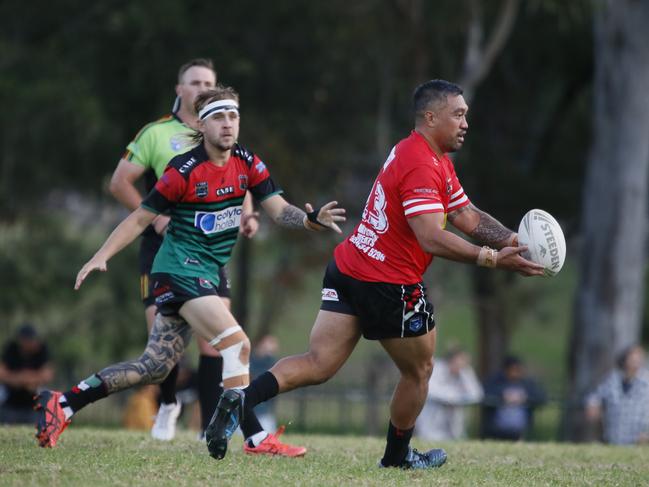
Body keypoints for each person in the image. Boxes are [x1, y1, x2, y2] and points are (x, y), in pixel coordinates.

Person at [206, 79, 544, 469]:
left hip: (349, 265)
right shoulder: (421, 164)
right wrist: (491, 258)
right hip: (386, 284)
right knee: (420, 371)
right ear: (431, 117)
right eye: (459, 114)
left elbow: (467, 215)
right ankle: (397, 458)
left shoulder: (426, 155)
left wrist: (513, 239)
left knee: (318, 363)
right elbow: (431, 237)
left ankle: (239, 400)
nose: (466, 122)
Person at [33, 85, 345, 457]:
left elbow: (278, 210)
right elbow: (140, 219)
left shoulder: (247, 162)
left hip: (205, 272)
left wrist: (311, 221)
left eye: (233, 116)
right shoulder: (183, 170)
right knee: (237, 343)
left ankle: (63, 403)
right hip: (177, 271)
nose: (228, 124)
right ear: (201, 123)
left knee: (154, 367)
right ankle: (252, 437)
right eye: (218, 117)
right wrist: (103, 254)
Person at [109, 58, 259, 440]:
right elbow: (120, 183)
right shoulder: (156, 134)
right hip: (163, 252)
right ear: (180, 90)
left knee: (217, 343)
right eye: (194, 82)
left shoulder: (221, 128)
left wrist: (248, 213)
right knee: (162, 350)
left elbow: (235, 178)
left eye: (208, 82)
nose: (202, 88)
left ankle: (210, 426)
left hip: (207, 254)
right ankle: (169, 402)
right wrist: (157, 219)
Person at [414, 346, 483, 440]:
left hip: (453, 425)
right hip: (431, 419)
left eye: (465, 363)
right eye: (460, 361)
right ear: (452, 360)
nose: (462, 365)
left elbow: (477, 394)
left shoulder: (463, 373)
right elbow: (430, 390)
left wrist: (465, 374)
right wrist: (455, 396)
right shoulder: (436, 368)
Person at [585, 344, 649, 445]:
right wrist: (593, 405)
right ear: (624, 360)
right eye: (632, 358)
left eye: (638, 359)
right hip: (615, 436)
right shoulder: (613, 379)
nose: (635, 362)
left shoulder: (646, 380)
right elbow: (595, 396)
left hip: (640, 438)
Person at [481, 355, 547, 441]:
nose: (516, 372)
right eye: (513, 369)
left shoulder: (527, 384)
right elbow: (483, 395)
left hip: (521, 430)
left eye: (518, 370)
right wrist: (502, 396)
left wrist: (525, 398)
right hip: (497, 430)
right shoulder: (495, 382)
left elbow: (541, 398)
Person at [0, 324, 54, 424]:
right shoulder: (11, 349)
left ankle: (46, 424)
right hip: (10, 392)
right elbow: (2, 373)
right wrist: (19, 379)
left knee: (47, 396)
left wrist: (29, 379)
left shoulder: (41, 349)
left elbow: (47, 374)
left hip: (34, 392)